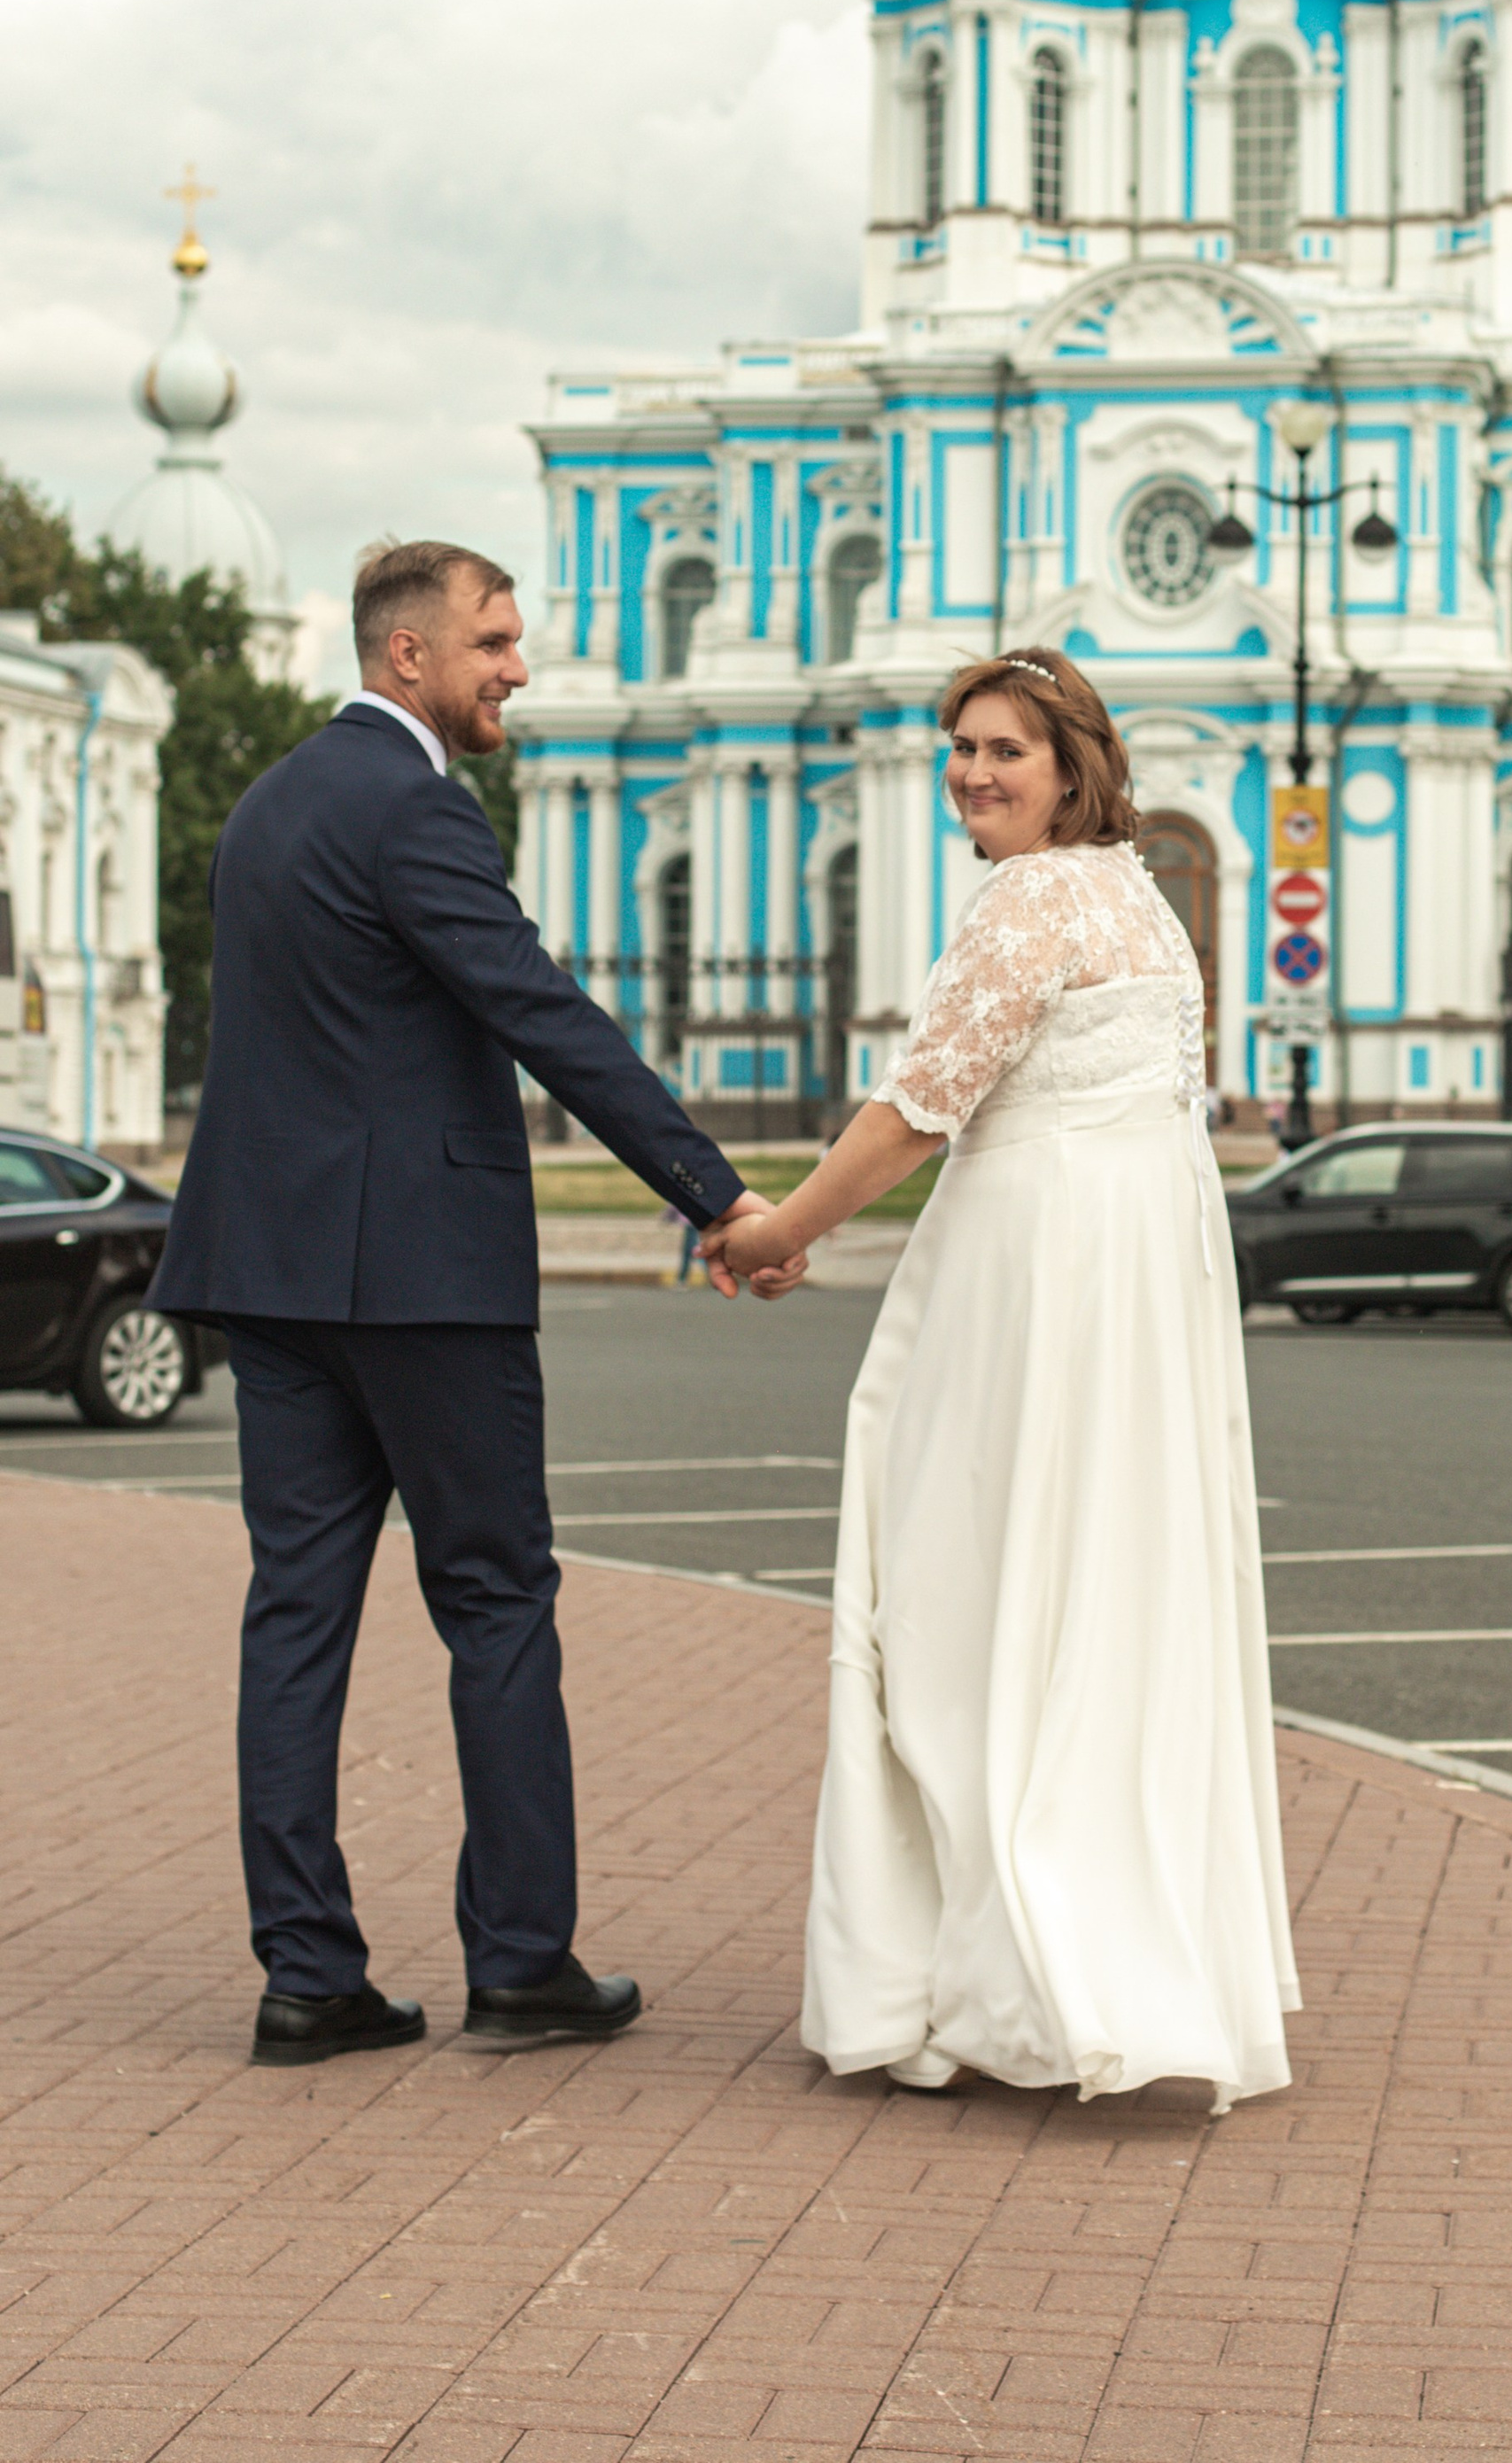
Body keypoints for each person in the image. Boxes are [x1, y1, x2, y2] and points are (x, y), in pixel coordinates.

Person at [157, 539, 790, 2070]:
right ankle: (520, 1962)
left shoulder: (268, 804)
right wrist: (716, 1193)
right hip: (425, 1279)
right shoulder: (418, 808)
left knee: (294, 1616)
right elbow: (538, 1011)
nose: (517, 667)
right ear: (409, 657)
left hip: (271, 1272)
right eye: (494, 642)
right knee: (498, 1602)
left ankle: (308, 1978)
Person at [703, 647, 1298, 2114]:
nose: (972, 773)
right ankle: (1106, 1952)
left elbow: (918, 1110)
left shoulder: (1029, 899)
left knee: (963, 1589)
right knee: (1102, 1592)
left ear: (1071, 765)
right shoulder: (1144, 902)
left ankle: (999, 1970)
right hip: (1134, 1289)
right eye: (961, 748)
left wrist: (777, 1230)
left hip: (1035, 1277)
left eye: (1004, 750)